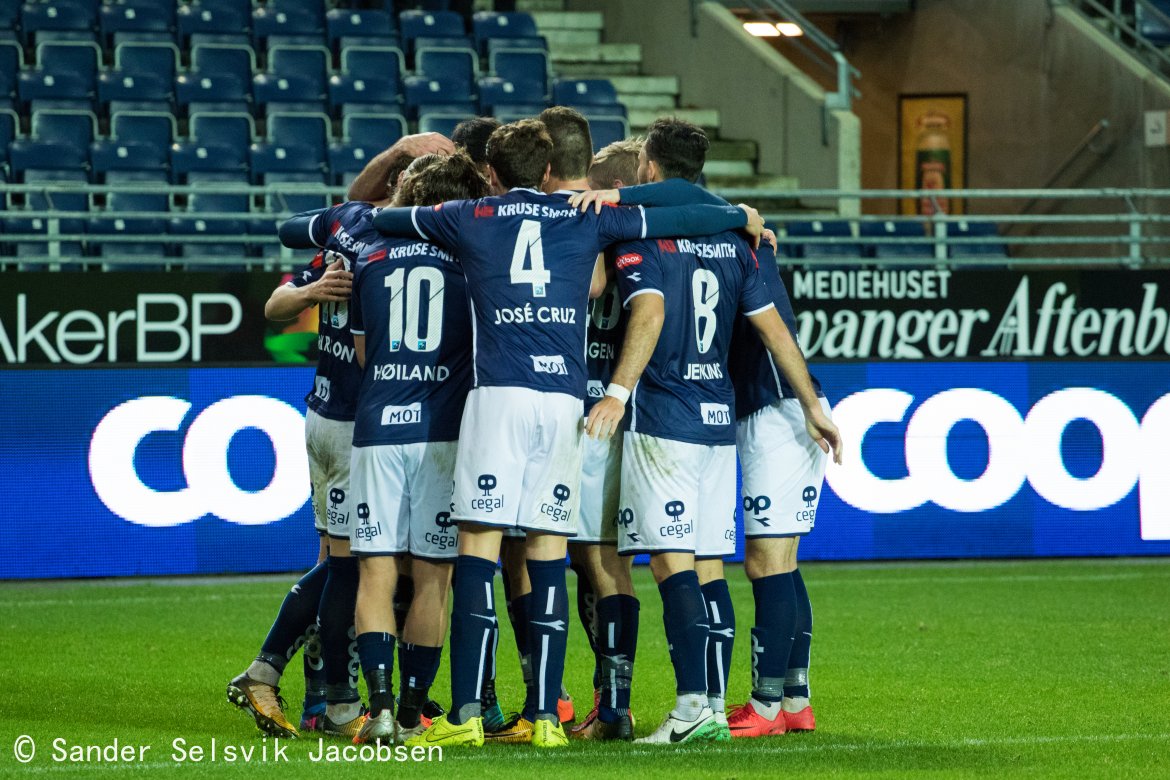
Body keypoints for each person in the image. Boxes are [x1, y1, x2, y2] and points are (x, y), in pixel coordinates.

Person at [372, 119, 766, 749]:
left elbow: (381, 221)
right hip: (566, 404)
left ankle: (470, 711)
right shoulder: (590, 217)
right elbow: (690, 210)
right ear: (549, 168)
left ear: (493, 173)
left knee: (479, 550)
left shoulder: (469, 214)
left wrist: (357, 221)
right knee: (554, 553)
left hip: (498, 396)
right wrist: (732, 212)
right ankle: (550, 719)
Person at [571, 118, 841, 745]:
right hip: (722, 418)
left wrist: (616, 391)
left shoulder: (640, 235)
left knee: (670, 563)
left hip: (665, 416)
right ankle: (726, 704)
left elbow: (647, 306)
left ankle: (698, 705)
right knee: (713, 562)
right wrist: (815, 404)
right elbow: (776, 331)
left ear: (648, 170)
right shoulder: (733, 235)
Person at [346, 152, 489, 745]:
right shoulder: (473, 260)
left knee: (376, 573)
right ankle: (412, 715)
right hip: (444, 432)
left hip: (379, 427)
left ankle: (376, 712)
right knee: (434, 579)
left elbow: (361, 355)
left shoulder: (370, 254)